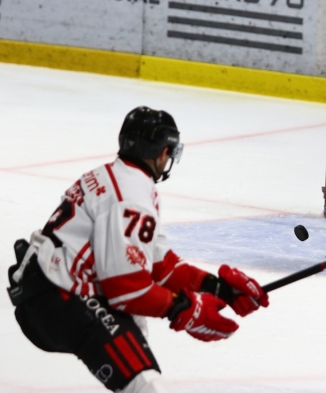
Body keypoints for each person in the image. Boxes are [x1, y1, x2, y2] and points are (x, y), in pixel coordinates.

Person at [6, 107, 269, 393]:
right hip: (60, 298)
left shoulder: (120, 178)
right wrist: (184, 308)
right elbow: (126, 289)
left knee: (136, 336)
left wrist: (217, 289)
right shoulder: (131, 197)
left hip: (49, 289)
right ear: (163, 152)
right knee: (145, 385)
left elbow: (162, 265)